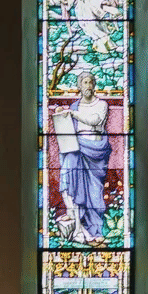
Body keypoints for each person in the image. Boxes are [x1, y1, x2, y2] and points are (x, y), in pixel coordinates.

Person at [53, 71, 112, 245]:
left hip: (95, 152)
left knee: (95, 193)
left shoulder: (102, 104)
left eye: (90, 82)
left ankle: (95, 230)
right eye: (84, 82)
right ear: (79, 86)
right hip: (77, 149)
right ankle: (79, 228)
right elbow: (66, 124)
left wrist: (72, 113)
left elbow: (94, 120)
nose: (87, 86)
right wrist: (61, 112)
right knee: (72, 183)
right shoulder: (74, 106)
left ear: (94, 85)